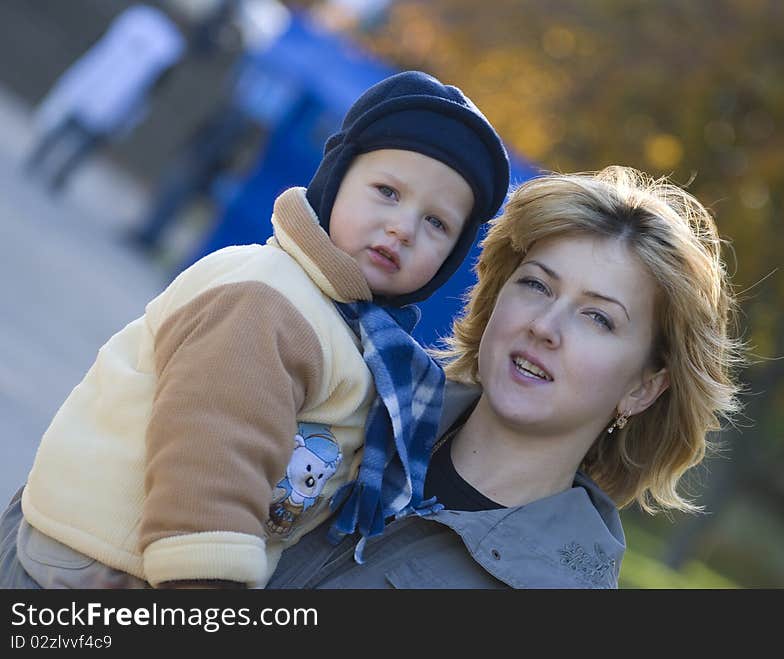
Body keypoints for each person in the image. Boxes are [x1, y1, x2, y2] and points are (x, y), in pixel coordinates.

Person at [0, 70, 510, 588]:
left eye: (437, 223)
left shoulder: (352, 330)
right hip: (100, 568)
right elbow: (210, 463)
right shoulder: (268, 299)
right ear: (335, 180)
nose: (403, 226)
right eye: (386, 191)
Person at [262, 165, 744, 588]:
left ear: (642, 389)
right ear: (495, 296)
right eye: (536, 285)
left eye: (598, 318)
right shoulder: (341, 394)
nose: (544, 326)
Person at [22, 3, 186, 194]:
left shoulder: (167, 40)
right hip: (106, 80)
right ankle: (45, 161)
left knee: (86, 134)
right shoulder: (145, 21)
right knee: (71, 123)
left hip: (121, 92)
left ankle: (59, 172)